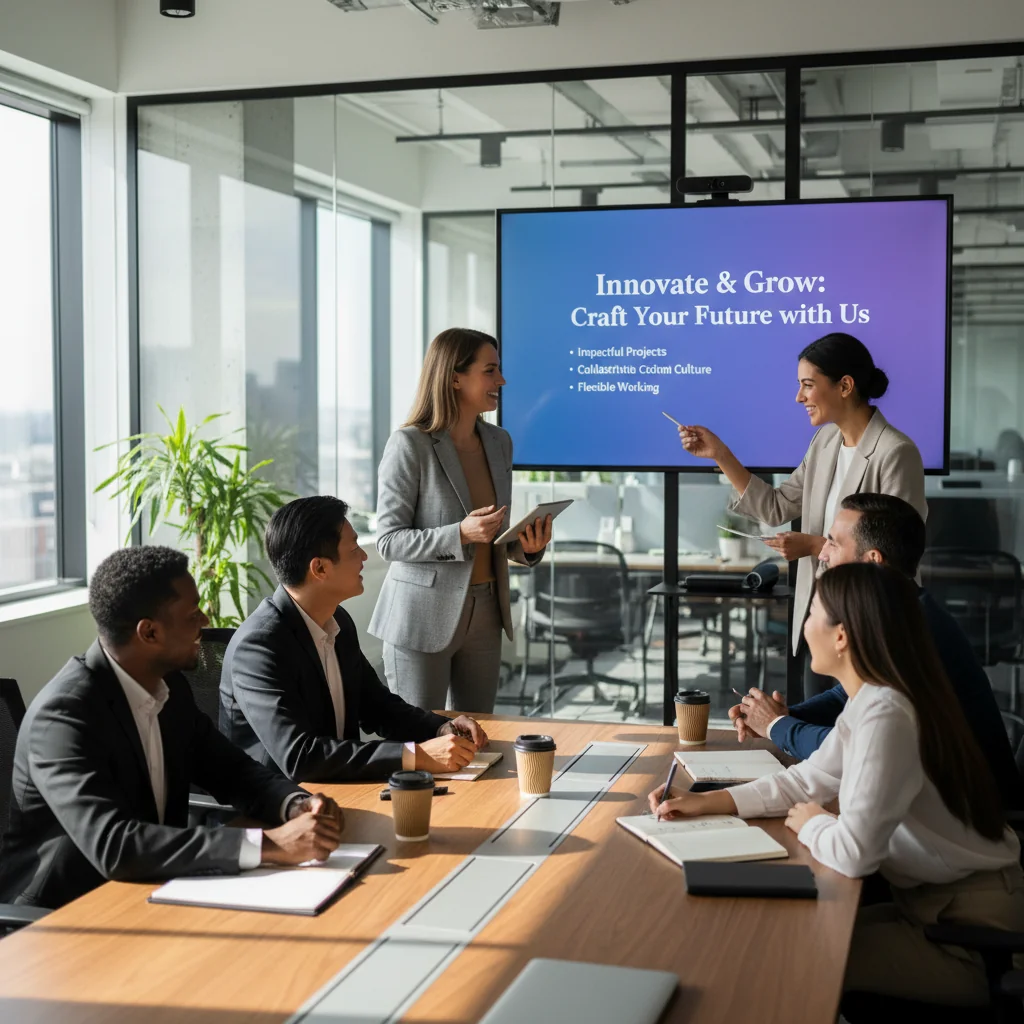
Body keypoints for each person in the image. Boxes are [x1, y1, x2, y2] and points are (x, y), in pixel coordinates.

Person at [650, 563, 1024, 1011]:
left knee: (790, 959)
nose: (804, 627)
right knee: (789, 933)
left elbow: (855, 851)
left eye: (811, 615)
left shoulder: (887, 714)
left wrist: (812, 823)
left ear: (842, 635)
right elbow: (807, 779)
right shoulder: (875, 697)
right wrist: (706, 802)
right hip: (931, 907)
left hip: (968, 937)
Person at [0, 546, 344, 911]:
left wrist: (295, 804)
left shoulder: (168, 685)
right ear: (149, 632)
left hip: (155, 887)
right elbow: (114, 845)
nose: (204, 620)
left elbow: (232, 770)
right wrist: (271, 846)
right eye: (192, 614)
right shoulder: (63, 716)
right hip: (66, 914)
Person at [729, 492, 1024, 809]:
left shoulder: (913, 633)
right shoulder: (899, 611)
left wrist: (777, 726)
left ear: (872, 561)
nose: (823, 554)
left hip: (975, 817)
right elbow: (848, 697)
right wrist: (783, 717)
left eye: (833, 543)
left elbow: (856, 751)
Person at [678, 332, 926, 697]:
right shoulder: (825, 441)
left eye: (808, 385)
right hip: (824, 618)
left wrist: (814, 546)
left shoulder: (895, 452)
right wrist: (721, 455)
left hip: (872, 625)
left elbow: (896, 556)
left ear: (845, 386)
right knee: (818, 731)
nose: (799, 397)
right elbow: (777, 506)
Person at [220, 495, 490, 783]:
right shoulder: (260, 646)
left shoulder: (338, 622)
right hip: (280, 809)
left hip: (337, 790)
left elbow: (377, 706)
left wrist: (439, 729)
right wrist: (416, 756)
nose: (363, 556)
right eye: (353, 549)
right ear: (320, 568)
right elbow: (300, 756)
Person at [369, 327, 552, 715]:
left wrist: (526, 547)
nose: (501, 380)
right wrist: (459, 533)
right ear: (455, 377)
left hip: (486, 610)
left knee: (479, 738)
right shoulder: (410, 444)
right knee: (423, 740)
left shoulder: (499, 442)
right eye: (490, 370)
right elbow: (388, 540)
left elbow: (494, 532)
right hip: (421, 614)